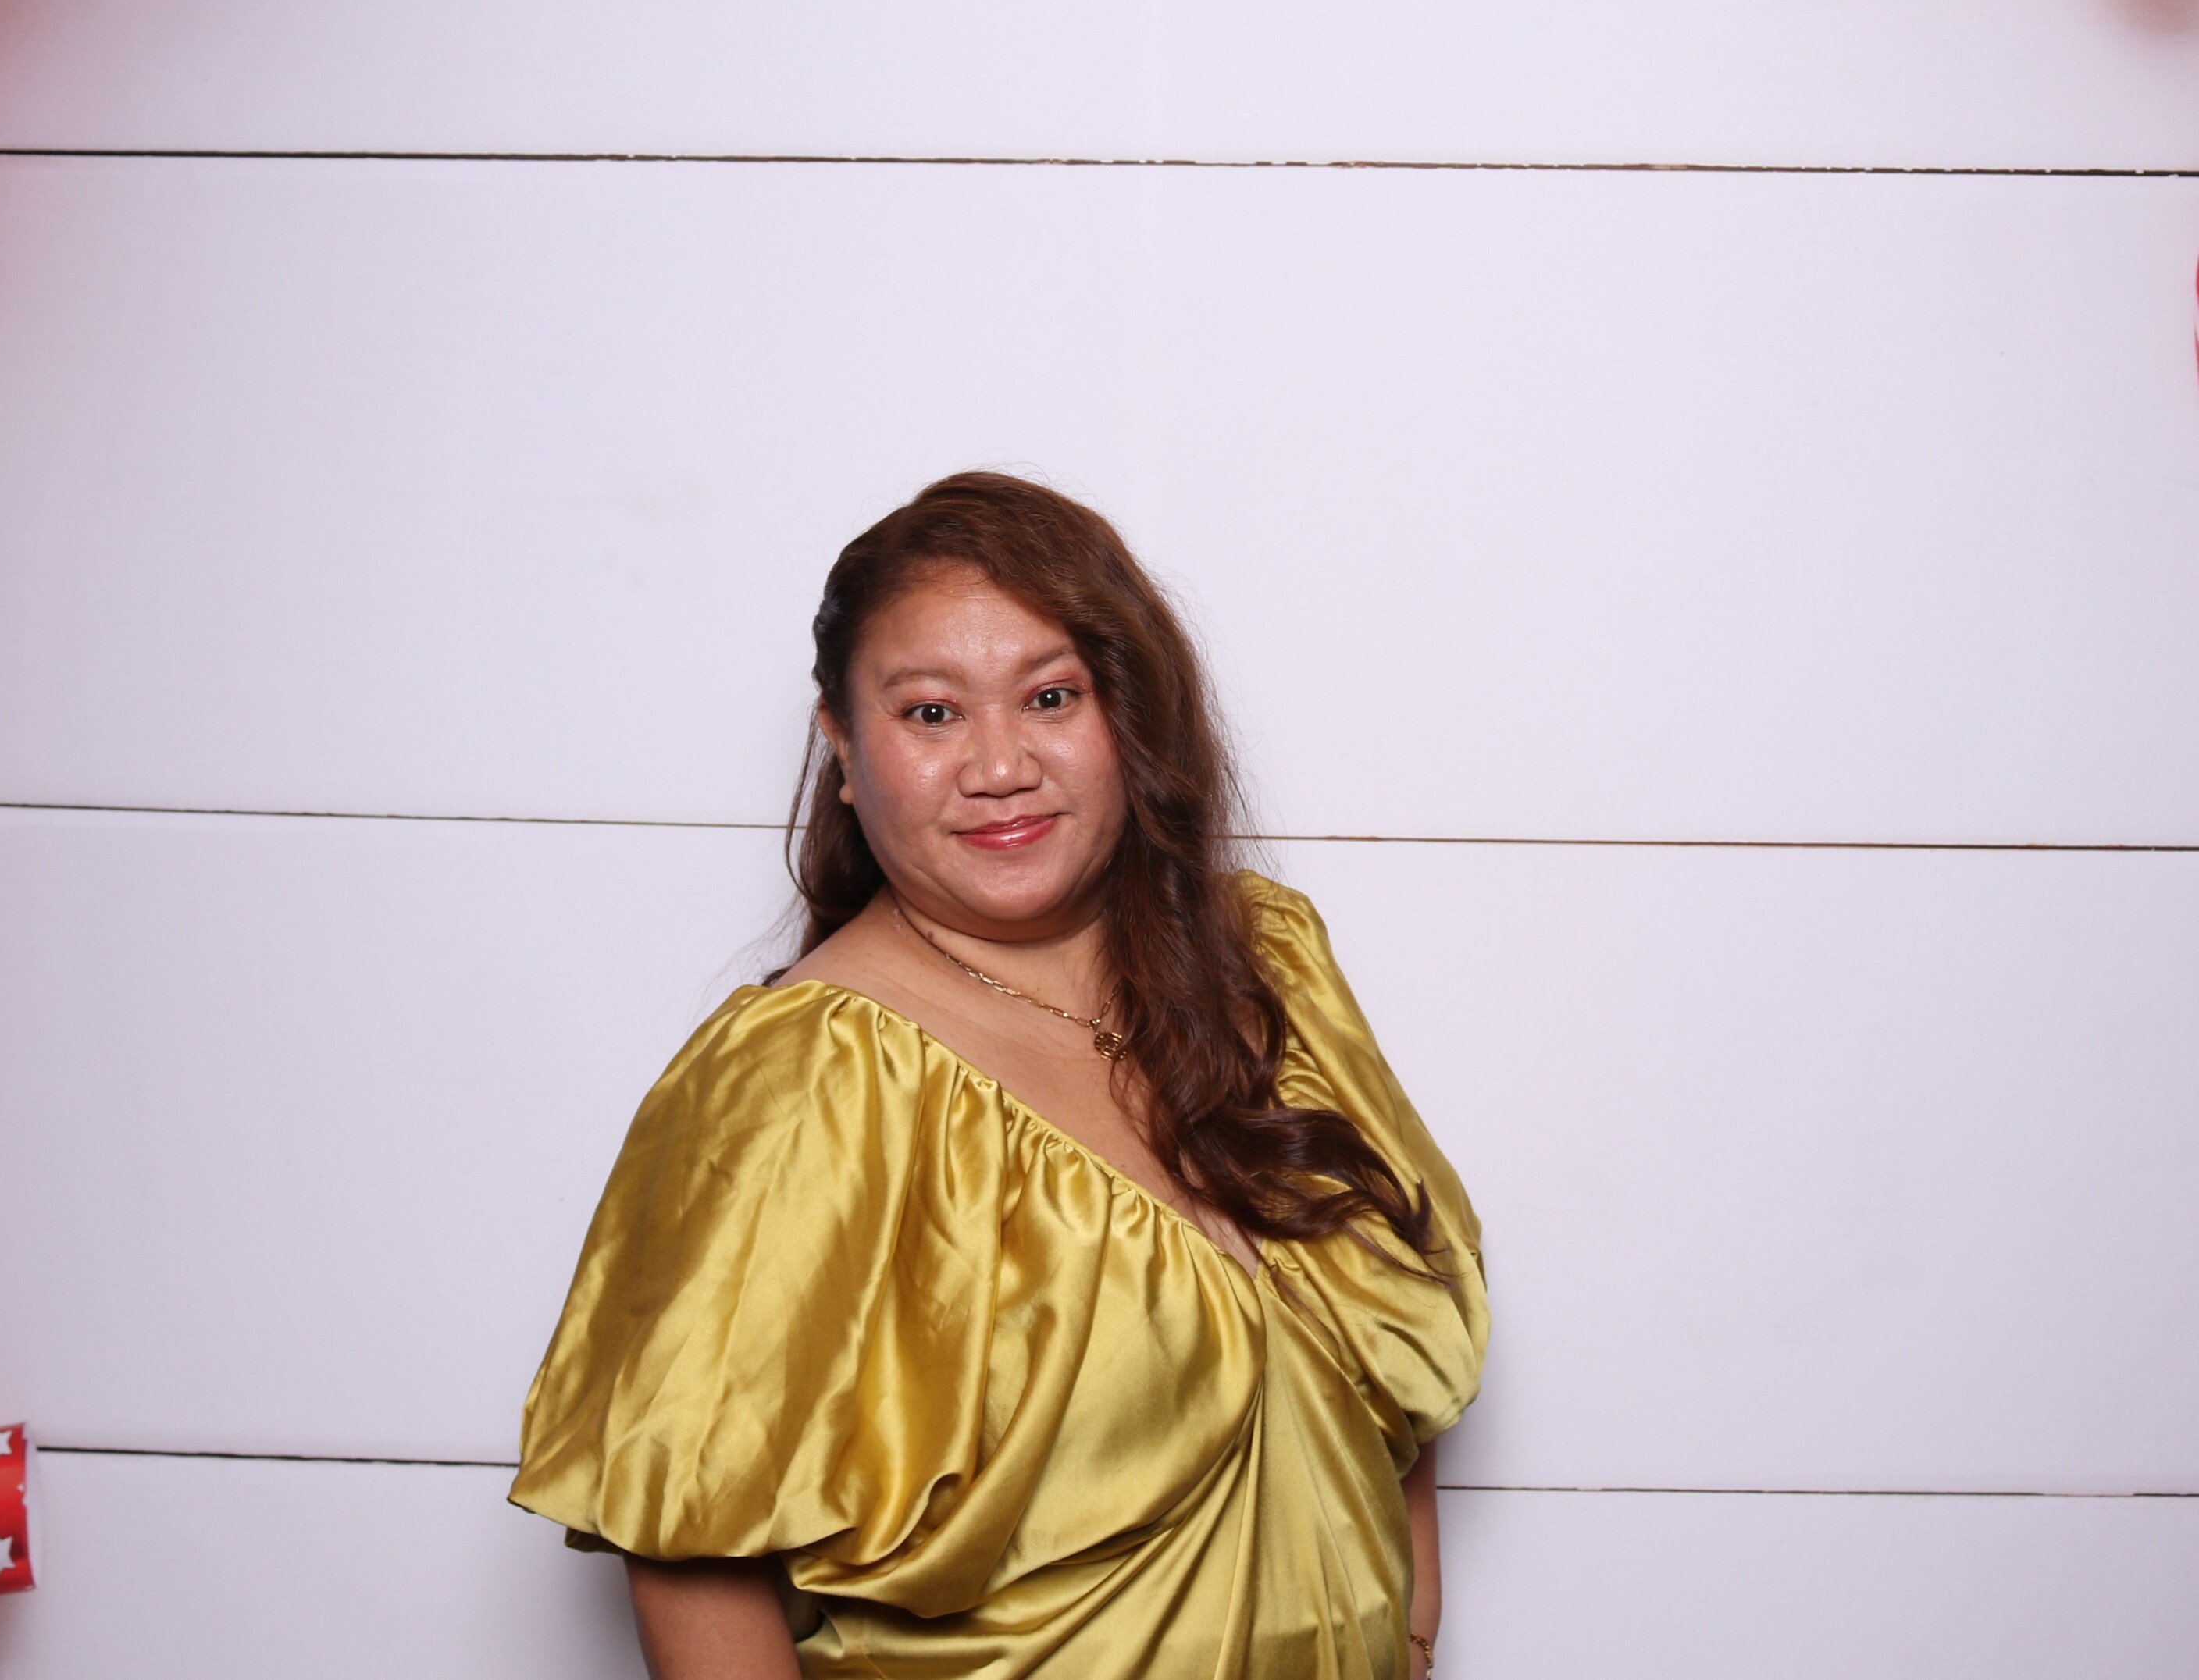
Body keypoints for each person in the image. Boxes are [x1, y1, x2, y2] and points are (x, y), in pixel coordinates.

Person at [512, 472, 1488, 1679]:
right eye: (931, 714)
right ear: (844, 747)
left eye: (1051, 696)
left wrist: (1411, 1640)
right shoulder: (805, 1080)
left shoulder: (1265, 967)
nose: (1000, 765)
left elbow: (1383, 1372)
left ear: (1128, 714)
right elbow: (687, 1551)